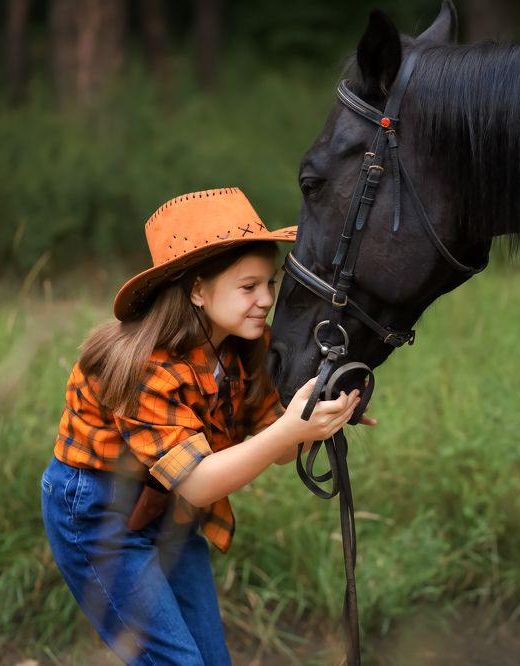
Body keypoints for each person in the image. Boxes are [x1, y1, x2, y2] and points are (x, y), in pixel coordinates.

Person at [41, 187, 372, 665]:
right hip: (96, 511)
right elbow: (198, 483)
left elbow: (278, 445)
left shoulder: (245, 346)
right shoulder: (143, 366)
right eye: (248, 287)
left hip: (165, 506)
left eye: (269, 283)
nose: (266, 300)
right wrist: (290, 430)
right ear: (198, 290)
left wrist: (319, 417)